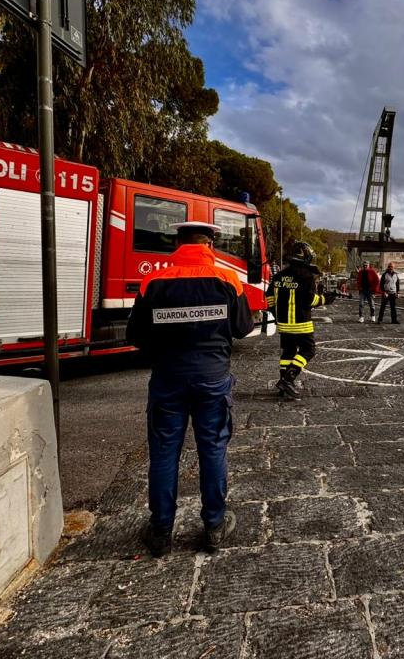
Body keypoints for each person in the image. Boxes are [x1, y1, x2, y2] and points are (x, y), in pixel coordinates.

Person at [126, 221, 254, 558]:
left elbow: (136, 336)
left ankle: (161, 531)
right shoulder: (228, 280)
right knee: (212, 449)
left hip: (168, 378)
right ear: (210, 243)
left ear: (177, 243)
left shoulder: (154, 280)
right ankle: (213, 525)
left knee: (165, 452)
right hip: (212, 378)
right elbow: (243, 328)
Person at [266, 242, 336, 399]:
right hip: (301, 323)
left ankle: (284, 386)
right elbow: (310, 300)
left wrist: (275, 312)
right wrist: (325, 299)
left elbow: (269, 296)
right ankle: (288, 380)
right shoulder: (306, 276)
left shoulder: (279, 275)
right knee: (308, 350)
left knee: (288, 351)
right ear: (306, 256)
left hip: (283, 323)